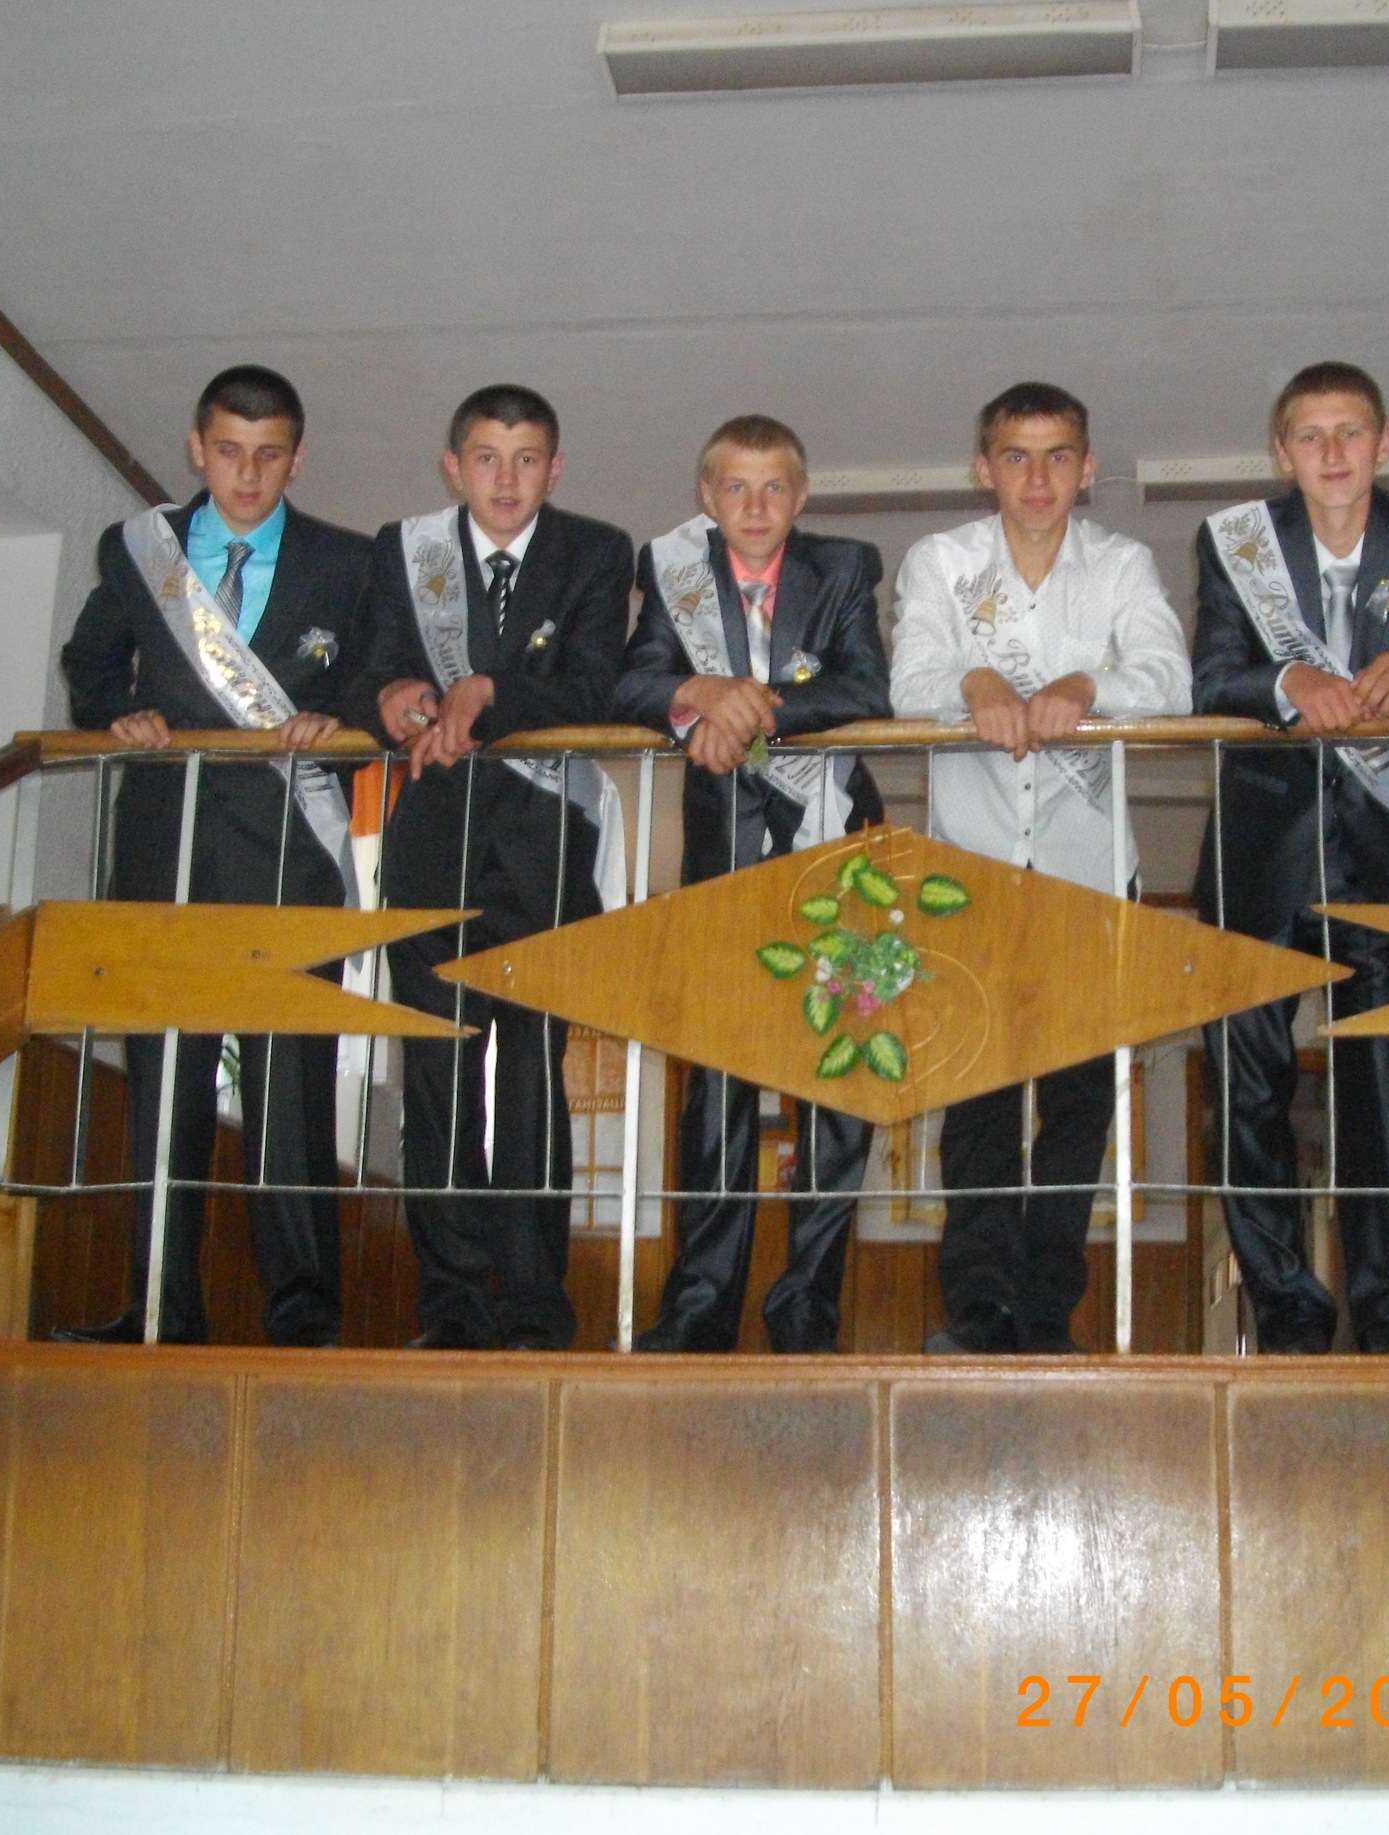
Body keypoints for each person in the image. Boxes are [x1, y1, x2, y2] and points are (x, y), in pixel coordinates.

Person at [1189, 363, 1389, 1356]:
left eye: (1350, 432)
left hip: (1377, 844)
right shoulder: (1233, 540)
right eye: (1311, 436)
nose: (1332, 453)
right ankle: (1286, 1310)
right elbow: (1212, 676)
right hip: (1259, 846)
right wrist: (1287, 681)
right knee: (1248, 1088)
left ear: (1385, 442)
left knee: (1380, 1087)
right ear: (1280, 452)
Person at [57, 365, 369, 1346]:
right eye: (228, 451)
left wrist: (338, 719)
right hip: (168, 842)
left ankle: (303, 1318)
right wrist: (118, 712)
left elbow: (382, 682)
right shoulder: (137, 552)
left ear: (297, 458)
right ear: (197, 448)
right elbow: (90, 662)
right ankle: (158, 1312)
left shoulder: (348, 561)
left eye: (268, 455)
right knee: (163, 1085)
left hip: (289, 848)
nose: (247, 474)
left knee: (291, 1086)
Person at [887, 382, 1191, 1355]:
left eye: (1058, 456)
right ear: (983, 468)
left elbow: (1171, 679)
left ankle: (1048, 1313)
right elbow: (908, 683)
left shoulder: (1123, 565)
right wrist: (972, 679)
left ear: (1087, 469)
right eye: (1015, 456)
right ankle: (978, 1308)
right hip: (966, 876)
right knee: (976, 1105)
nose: (1036, 477)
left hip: (1088, 877)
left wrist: (1087, 683)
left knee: (1074, 1109)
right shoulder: (941, 562)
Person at [353, 385, 632, 1350]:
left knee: (528, 1079)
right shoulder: (403, 550)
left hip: (543, 841)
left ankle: (533, 1304)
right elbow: (367, 672)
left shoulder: (595, 551)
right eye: (485, 458)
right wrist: (391, 697)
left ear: (555, 470)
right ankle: (453, 1305)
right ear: (453, 467)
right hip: (432, 840)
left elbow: (597, 683)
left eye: (526, 460)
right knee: (433, 1078)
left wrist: (488, 690)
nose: (505, 480)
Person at [614, 416, 892, 1353]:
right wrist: (697, 695)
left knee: (837, 1084)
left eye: (775, 488)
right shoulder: (671, 571)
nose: (757, 506)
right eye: (736, 487)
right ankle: (699, 1310)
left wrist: (754, 705)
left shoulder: (845, 567)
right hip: (723, 854)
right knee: (718, 1091)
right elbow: (630, 684)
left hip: (838, 848)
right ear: (707, 497)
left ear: (801, 497)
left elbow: (867, 691)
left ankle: (806, 1309)